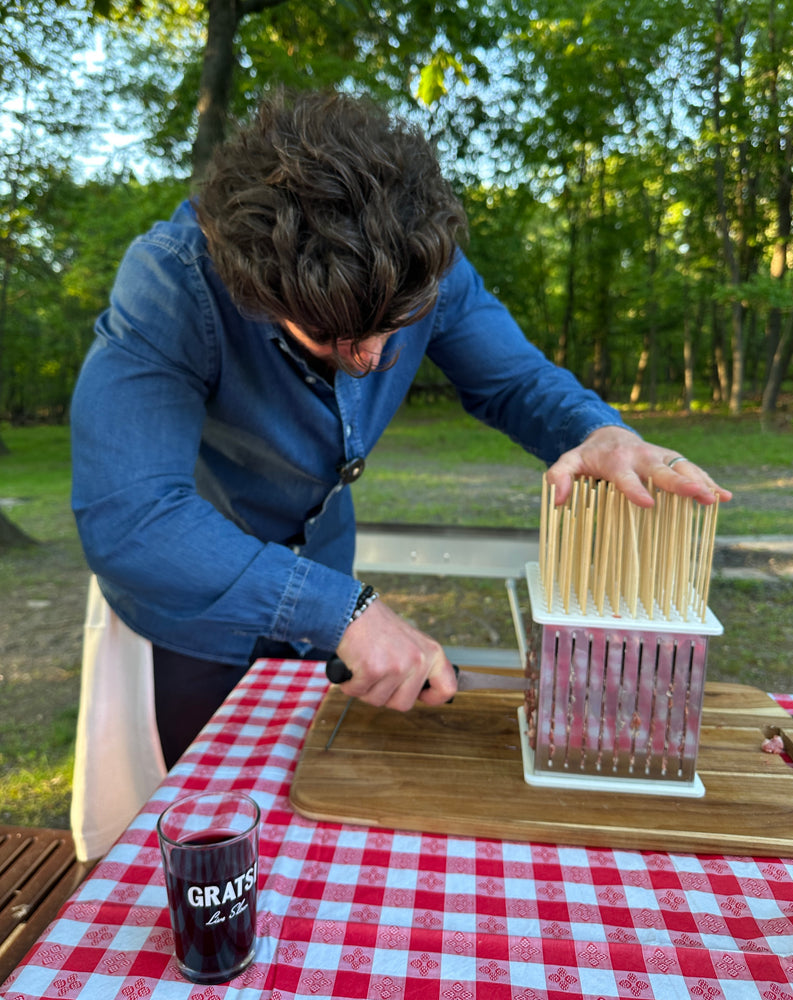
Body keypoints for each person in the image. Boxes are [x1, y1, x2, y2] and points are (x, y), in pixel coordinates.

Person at [70, 88, 731, 768]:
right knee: (216, 804)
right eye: (332, 335)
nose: (372, 360)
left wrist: (597, 431)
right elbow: (132, 514)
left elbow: (515, 381)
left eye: (395, 326)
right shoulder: (173, 280)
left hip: (329, 585)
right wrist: (342, 611)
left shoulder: (423, 263)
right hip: (195, 610)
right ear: (252, 288)